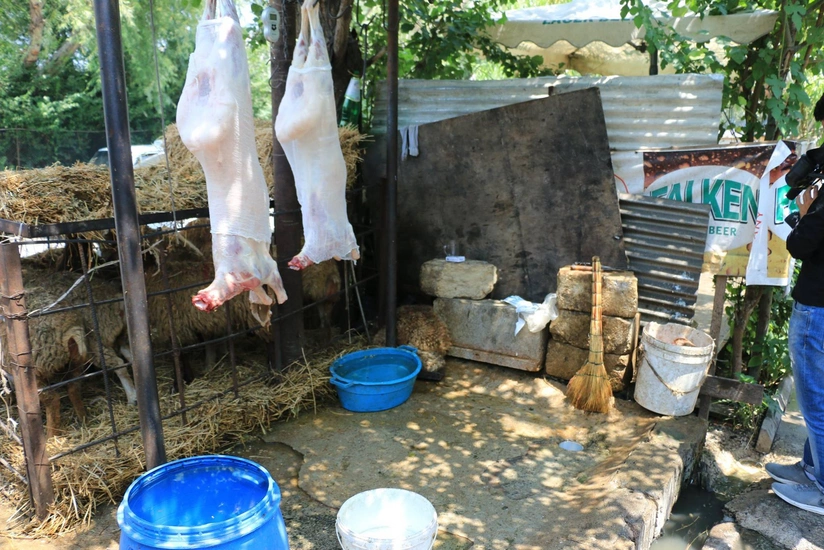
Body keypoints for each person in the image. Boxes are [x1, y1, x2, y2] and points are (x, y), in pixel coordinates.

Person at [766, 93, 824, 515]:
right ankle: (810, 468)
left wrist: (804, 212)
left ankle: (821, 488)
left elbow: (802, 244)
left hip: (817, 308)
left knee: (817, 400)